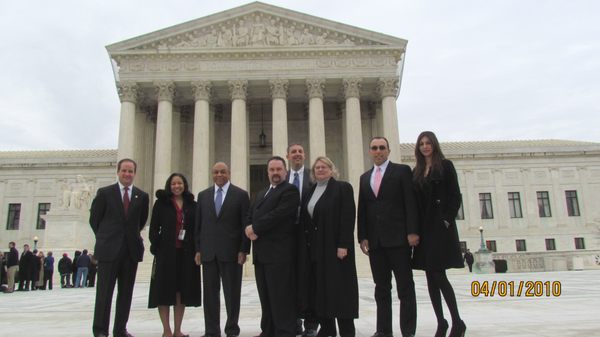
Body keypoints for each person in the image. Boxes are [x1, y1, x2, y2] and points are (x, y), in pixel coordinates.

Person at [357, 136, 419, 337]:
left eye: (382, 148)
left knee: (405, 287)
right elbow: (363, 208)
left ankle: (408, 331)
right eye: (374, 148)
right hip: (376, 242)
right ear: (370, 151)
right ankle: (383, 331)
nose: (378, 151)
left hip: (399, 239)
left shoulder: (401, 171)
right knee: (381, 288)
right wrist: (362, 236)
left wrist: (412, 231)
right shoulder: (365, 177)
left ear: (388, 151)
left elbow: (410, 203)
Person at [411, 131, 466, 337]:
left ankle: (457, 321)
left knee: (438, 275)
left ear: (434, 145)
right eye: (422, 143)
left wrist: (446, 220)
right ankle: (441, 322)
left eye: (428, 143)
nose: (425, 146)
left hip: (439, 228)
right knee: (430, 277)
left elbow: (455, 196)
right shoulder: (416, 171)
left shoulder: (445, 166)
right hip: (424, 228)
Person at [90, 158, 150, 337]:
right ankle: (100, 330)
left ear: (134, 173)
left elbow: (141, 221)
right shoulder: (104, 193)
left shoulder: (141, 196)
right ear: (118, 172)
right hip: (109, 250)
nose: (127, 174)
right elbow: (95, 220)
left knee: (126, 293)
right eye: (124, 170)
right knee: (104, 293)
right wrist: (106, 238)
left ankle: (120, 329)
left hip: (130, 251)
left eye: (130, 171)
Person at [300, 157, 358, 337]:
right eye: (317, 167)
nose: (320, 169)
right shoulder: (310, 191)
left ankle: (347, 331)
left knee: (340, 291)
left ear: (332, 169)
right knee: (321, 291)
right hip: (316, 250)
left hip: (336, 249)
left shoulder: (342, 188)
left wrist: (343, 245)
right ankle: (327, 330)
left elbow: (348, 218)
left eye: (324, 167)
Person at [245, 156, 299, 337]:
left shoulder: (290, 191)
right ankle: (268, 330)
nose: (275, 173)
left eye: (278, 169)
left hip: (279, 254)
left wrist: (256, 228)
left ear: (285, 171)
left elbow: (280, 214)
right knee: (266, 296)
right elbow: (252, 213)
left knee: (281, 296)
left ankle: (285, 331)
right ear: (268, 172)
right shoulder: (262, 193)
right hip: (262, 254)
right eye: (272, 170)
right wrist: (248, 227)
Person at [195, 162, 250, 337]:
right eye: (216, 172)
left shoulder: (241, 195)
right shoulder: (203, 196)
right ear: (212, 174)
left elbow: (245, 224)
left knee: (232, 294)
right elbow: (199, 225)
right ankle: (211, 331)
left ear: (229, 173)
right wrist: (198, 249)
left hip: (232, 253)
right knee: (210, 295)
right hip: (209, 252)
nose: (219, 175)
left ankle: (232, 329)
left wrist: (244, 249)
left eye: (223, 172)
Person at [148, 173, 201, 337]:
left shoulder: (192, 205)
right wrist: (159, 247)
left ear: (184, 185)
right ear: (169, 185)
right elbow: (153, 230)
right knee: (163, 290)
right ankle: (167, 330)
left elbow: (197, 229)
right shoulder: (161, 204)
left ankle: (178, 330)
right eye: (173, 183)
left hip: (185, 254)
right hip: (166, 254)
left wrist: (197, 249)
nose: (177, 186)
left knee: (181, 291)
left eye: (179, 183)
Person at [286, 144, 318, 337]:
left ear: (304, 155)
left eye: (300, 151)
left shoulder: (313, 177)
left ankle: (312, 323)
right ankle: (294, 320)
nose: (297, 155)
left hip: (308, 235)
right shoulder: (282, 177)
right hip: (287, 235)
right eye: (294, 152)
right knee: (289, 279)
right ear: (288, 156)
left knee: (310, 278)